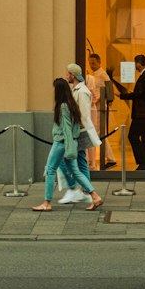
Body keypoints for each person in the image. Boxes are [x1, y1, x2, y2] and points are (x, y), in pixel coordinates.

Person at [32, 78, 102, 213]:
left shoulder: (63, 106)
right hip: (68, 143)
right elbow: (74, 127)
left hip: (61, 143)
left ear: (58, 90)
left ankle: (47, 203)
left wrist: (69, 148)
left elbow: (67, 129)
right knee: (76, 171)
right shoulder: (71, 104)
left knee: (50, 170)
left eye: (54, 88)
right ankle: (95, 196)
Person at [59, 63, 100, 204]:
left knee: (65, 160)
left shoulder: (81, 92)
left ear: (73, 75)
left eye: (68, 73)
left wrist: (73, 132)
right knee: (82, 161)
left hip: (79, 131)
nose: (66, 76)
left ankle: (76, 189)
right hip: (80, 131)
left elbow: (83, 114)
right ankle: (85, 191)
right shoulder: (78, 90)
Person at [115, 53, 145, 171]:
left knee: (133, 136)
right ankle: (144, 163)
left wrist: (123, 95)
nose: (135, 66)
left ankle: (143, 162)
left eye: (135, 64)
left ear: (138, 64)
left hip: (142, 113)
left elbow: (140, 94)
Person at [87, 52, 117, 168]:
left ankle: (109, 158)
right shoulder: (93, 75)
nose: (91, 65)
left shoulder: (103, 75)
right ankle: (108, 158)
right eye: (90, 63)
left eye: (93, 63)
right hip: (96, 108)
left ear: (99, 62)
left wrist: (98, 99)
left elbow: (109, 92)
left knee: (99, 133)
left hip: (100, 108)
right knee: (99, 134)